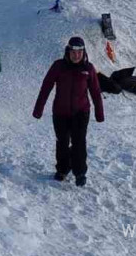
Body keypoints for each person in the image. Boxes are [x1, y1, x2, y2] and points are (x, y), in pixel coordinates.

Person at [32, 36, 105, 186]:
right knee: (62, 142)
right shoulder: (58, 66)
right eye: (73, 51)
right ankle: (63, 169)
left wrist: (99, 112)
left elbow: (96, 92)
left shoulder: (88, 69)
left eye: (79, 52)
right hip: (60, 112)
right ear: (68, 51)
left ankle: (80, 172)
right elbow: (46, 87)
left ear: (83, 52)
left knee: (79, 142)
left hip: (81, 112)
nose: (76, 55)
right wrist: (38, 109)